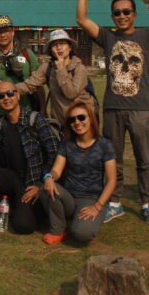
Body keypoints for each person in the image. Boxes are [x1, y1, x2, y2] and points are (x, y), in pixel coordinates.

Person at [76, 0, 149, 226]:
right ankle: (114, 202)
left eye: (126, 12)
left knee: (144, 160)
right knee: (114, 159)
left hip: (140, 109)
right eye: (117, 12)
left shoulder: (148, 35)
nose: (122, 16)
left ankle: (147, 203)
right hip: (113, 107)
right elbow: (81, 19)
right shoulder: (108, 37)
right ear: (113, 16)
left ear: (134, 14)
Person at [0, 81, 60, 234]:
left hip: (34, 183)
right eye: (1, 96)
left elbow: (55, 154)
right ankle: (14, 202)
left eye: (10, 93)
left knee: (23, 226)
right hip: (14, 181)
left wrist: (41, 185)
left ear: (18, 95)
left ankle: (25, 208)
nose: (6, 98)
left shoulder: (35, 120)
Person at [40, 102, 117, 245]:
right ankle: (58, 230)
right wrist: (50, 177)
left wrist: (97, 206)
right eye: (72, 120)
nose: (77, 122)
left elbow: (112, 180)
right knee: (48, 187)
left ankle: (77, 222)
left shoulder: (105, 145)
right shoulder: (67, 143)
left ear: (91, 118)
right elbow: (57, 169)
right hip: (68, 196)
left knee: (82, 234)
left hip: (91, 199)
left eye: (81, 117)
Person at [15, 29, 96, 126]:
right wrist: (9, 89)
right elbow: (29, 84)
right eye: (54, 44)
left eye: (62, 43)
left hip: (81, 122)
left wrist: (61, 69)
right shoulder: (47, 67)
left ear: (70, 47)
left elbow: (71, 93)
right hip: (59, 123)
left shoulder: (79, 68)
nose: (58, 47)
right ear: (50, 50)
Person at [0, 14, 45, 122]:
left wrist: (43, 109)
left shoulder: (26, 53)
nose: (3, 35)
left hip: (25, 109)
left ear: (12, 32)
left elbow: (39, 85)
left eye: (6, 30)